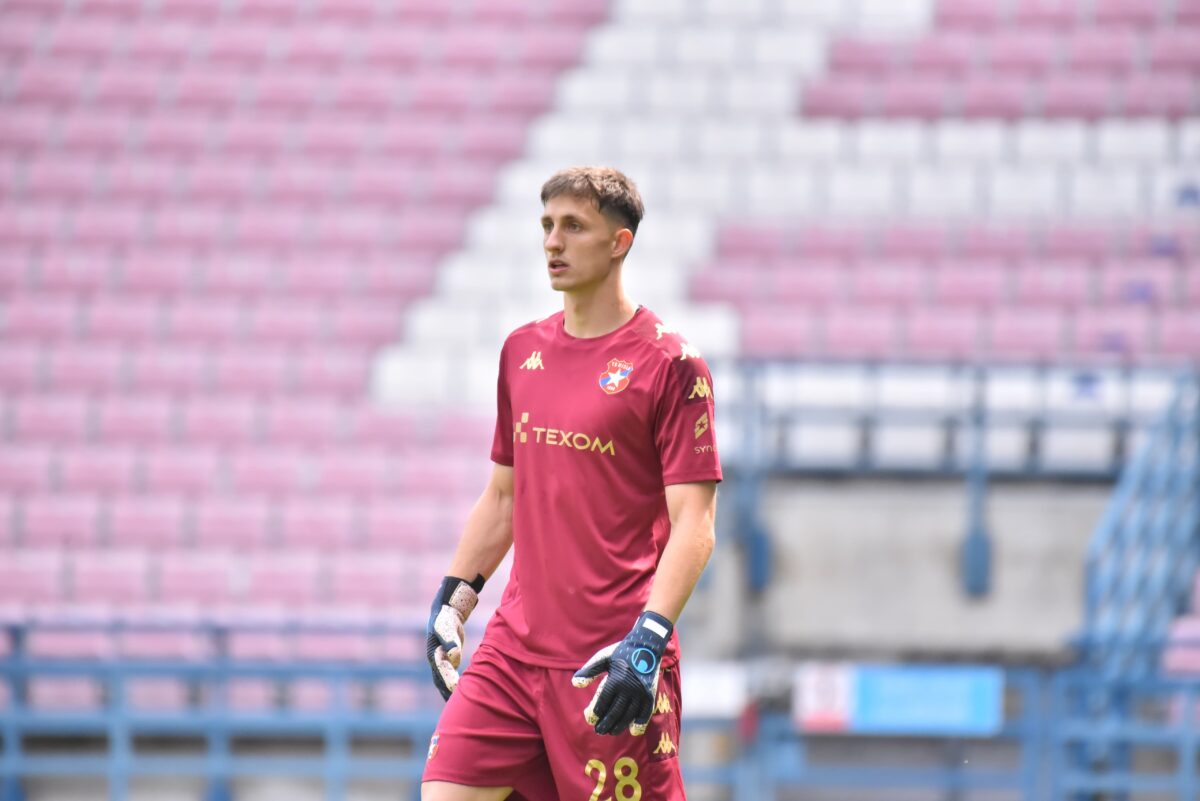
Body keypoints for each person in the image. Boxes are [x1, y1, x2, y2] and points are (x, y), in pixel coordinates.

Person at [421, 166, 721, 801]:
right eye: (547, 225)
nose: (553, 242)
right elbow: (503, 496)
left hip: (611, 658)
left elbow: (695, 522)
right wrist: (453, 600)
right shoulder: (520, 351)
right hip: (512, 652)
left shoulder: (672, 364)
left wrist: (648, 639)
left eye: (574, 227)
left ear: (619, 242)